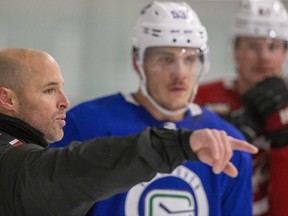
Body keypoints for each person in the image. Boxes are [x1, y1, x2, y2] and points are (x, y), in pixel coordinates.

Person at [0, 47, 259, 216]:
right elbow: (71, 170)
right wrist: (174, 145)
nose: (64, 101)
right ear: (7, 99)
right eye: (49, 90)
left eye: (190, 59)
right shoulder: (9, 163)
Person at [53, 1, 257, 215]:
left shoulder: (227, 143)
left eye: (189, 59)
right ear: (137, 63)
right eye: (165, 59)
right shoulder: (85, 124)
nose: (180, 73)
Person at [194, 0, 288, 215]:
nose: (264, 56)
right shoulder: (202, 97)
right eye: (253, 46)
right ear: (236, 50)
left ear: (285, 53)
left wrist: (283, 144)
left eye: (273, 47)